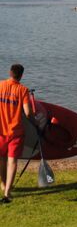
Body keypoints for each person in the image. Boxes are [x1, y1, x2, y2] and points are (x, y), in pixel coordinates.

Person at [0, 64, 33, 203]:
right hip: (15, 132)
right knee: (12, 161)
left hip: (1, 131)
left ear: (10, 72)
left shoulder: (0, 85)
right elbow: (28, 113)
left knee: (1, 159)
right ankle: (7, 193)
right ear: (21, 75)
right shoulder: (23, 90)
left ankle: (2, 183)